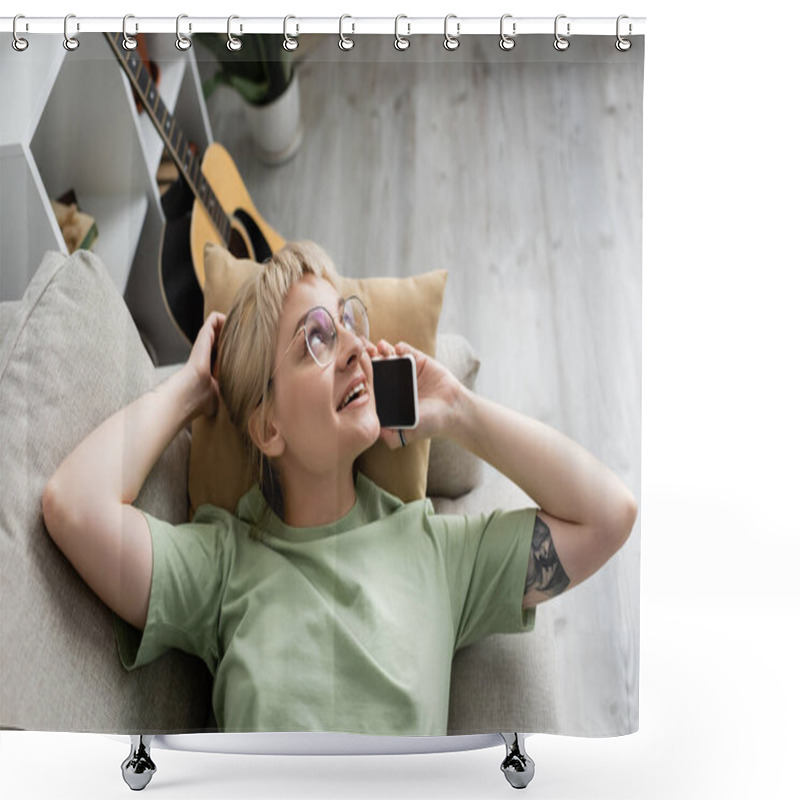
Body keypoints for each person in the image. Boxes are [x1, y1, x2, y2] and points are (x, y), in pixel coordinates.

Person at [42, 241, 637, 735]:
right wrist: (190, 394)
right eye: (317, 339)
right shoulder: (220, 566)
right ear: (269, 426)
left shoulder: (438, 553)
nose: (354, 346)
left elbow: (609, 513)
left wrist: (459, 411)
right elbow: (73, 504)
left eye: (352, 323)